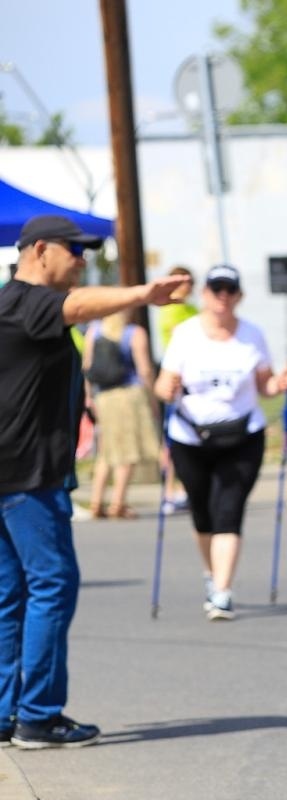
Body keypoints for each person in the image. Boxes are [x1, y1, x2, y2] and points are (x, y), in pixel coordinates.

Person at [1, 214, 187, 748]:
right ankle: (38, 715)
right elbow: (76, 308)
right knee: (52, 585)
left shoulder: (4, 305)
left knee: (10, 593)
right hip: (29, 476)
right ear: (40, 251)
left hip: (8, 472)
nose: (82, 259)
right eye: (74, 250)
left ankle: (6, 713)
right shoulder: (32, 304)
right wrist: (144, 293)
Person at [153, 265, 287, 621]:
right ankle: (211, 574)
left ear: (239, 296)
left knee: (229, 509)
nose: (222, 296)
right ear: (204, 294)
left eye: (229, 289)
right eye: (216, 288)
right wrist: (166, 390)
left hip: (243, 435)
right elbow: (162, 383)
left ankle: (222, 592)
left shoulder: (252, 336)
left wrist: (279, 385)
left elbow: (264, 384)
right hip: (191, 437)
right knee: (202, 512)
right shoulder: (186, 335)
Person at [83, 310, 161, 518]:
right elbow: (144, 370)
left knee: (106, 452)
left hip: (104, 397)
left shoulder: (95, 330)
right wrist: (153, 399)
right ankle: (118, 502)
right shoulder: (134, 333)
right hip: (129, 394)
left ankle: (96, 501)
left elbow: (87, 366)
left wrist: (89, 397)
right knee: (127, 451)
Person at [153, 266, 199, 514]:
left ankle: (186, 488)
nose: (187, 288)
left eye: (190, 283)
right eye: (183, 283)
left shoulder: (193, 309)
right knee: (172, 435)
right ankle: (168, 490)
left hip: (196, 378)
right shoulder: (171, 310)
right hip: (175, 375)